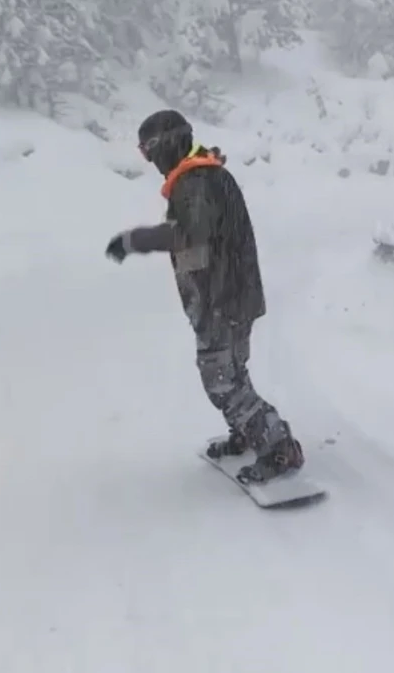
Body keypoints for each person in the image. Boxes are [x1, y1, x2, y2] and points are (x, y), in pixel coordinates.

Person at [105, 109, 304, 484]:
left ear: (168, 141)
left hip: (222, 299)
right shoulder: (203, 175)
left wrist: (135, 240)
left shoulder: (195, 181)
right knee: (233, 372)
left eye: (149, 150)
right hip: (230, 295)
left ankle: (279, 446)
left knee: (221, 379)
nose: (150, 160)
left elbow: (190, 233)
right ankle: (249, 432)